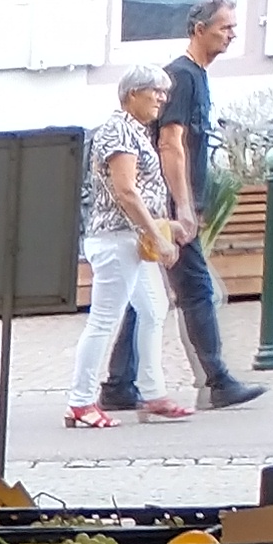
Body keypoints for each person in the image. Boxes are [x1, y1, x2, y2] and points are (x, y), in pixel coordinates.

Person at [102, 0, 260, 415]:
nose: (232, 35)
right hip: (170, 206)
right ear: (199, 29)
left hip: (169, 204)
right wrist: (184, 208)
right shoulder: (183, 77)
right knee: (196, 291)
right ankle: (215, 381)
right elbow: (170, 143)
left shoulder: (194, 76)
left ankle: (119, 383)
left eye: (233, 27)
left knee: (147, 295)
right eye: (225, 27)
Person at [64, 70, 197, 430]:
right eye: (155, 91)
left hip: (129, 239)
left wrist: (160, 228)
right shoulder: (119, 130)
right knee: (104, 319)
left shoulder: (133, 130)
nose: (162, 99)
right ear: (133, 93)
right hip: (117, 239)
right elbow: (126, 191)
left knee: (154, 309)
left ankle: (153, 394)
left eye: (164, 93)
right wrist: (158, 236)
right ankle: (80, 401)